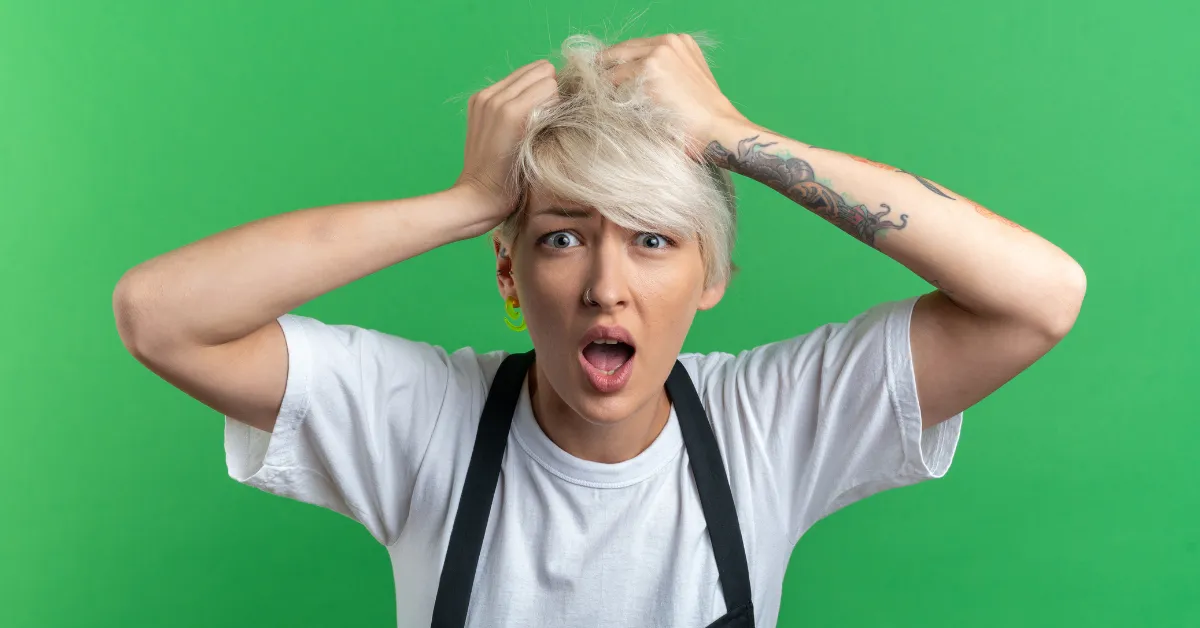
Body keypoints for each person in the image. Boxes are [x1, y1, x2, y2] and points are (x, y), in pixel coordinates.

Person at [113, 32, 1086, 628]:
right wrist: (467, 199)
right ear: (510, 269)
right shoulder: (418, 419)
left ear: (711, 278)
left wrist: (729, 135)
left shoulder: (775, 420)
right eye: (564, 237)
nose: (605, 287)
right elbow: (161, 316)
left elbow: (1040, 294)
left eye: (655, 239)